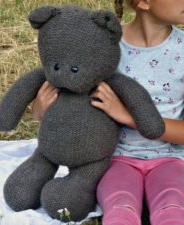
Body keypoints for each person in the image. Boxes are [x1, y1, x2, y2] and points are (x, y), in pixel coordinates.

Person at [32, 0, 184, 224]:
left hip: (171, 160)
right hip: (114, 159)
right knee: (120, 208)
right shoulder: (101, 47)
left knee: (172, 207)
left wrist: (128, 117)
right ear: (144, 2)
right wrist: (41, 108)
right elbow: (48, 109)